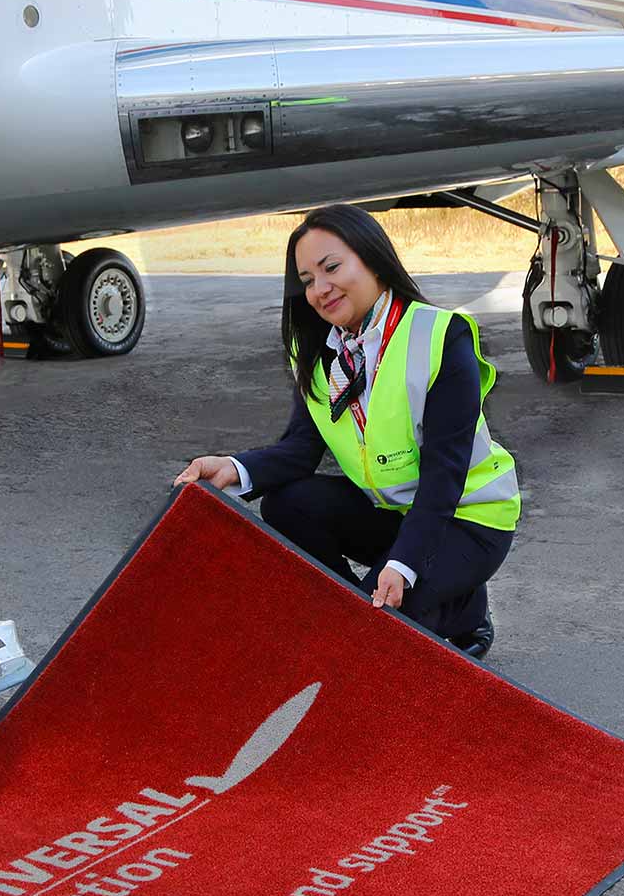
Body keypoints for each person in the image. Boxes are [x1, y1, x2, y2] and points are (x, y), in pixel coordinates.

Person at [175, 203, 520, 658]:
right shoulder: (321, 351)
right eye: (307, 280)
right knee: (287, 504)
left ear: (372, 258)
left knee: (380, 638)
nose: (320, 289)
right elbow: (301, 448)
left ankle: (463, 609)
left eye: (331, 268)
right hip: (395, 512)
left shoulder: (439, 336)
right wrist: (232, 468)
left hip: (467, 518)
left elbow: (445, 474)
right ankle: (356, 605)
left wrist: (402, 564)